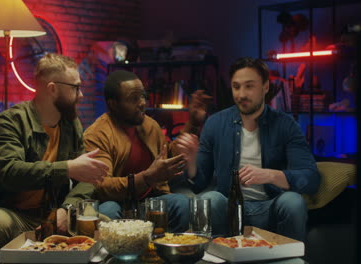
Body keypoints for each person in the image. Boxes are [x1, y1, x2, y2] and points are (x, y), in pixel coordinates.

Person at [0, 53, 109, 264]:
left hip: (56, 211)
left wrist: (67, 208)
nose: (81, 95)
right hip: (15, 213)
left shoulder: (71, 124)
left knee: (109, 226)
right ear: (53, 88)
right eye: (75, 87)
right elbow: (9, 172)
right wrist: (67, 168)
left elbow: (85, 179)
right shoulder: (11, 121)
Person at [176, 57, 321, 241]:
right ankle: (218, 257)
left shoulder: (285, 124)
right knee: (211, 198)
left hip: (271, 205)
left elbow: (311, 178)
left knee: (293, 202)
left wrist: (270, 175)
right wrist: (191, 161)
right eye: (236, 87)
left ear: (265, 87)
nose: (241, 94)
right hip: (229, 206)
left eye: (249, 86)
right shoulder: (215, 123)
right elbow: (199, 182)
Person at [84, 70, 198, 232]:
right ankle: (117, 255)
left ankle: (168, 251)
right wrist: (146, 178)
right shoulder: (97, 134)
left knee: (181, 202)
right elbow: (102, 186)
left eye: (143, 96)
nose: (142, 102)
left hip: (150, 201)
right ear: (113, 104)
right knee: (107, 210)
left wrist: (192, 123)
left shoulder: (150, 125)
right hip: (117, 204)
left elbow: (165, 158)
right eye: (133, 98)